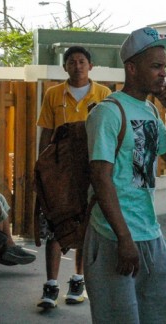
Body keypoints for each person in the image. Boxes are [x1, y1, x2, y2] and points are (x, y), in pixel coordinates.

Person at [84, 26, 166, 323]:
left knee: (159, 315)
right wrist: (123, 238)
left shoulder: (151, 112)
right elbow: (100, 178)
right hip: (113, 236)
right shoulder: (108, 112)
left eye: (164, 67)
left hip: (151, 233)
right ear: (131, 68)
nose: (163, 74)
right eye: (155, 66)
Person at [36, 46, 111, 309]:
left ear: (90, 66)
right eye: (71, 62)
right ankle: (51, 285)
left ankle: (77, 280)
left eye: (81, 61)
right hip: (60, 170)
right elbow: (46, 132)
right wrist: (42, 168)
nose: (77, 66)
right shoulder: (53, 94)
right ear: (65, 66)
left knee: (86, 224)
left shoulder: (104, 94)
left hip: (91, 168)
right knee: (57, 222)